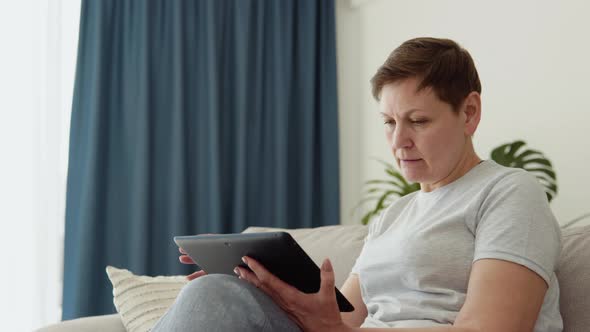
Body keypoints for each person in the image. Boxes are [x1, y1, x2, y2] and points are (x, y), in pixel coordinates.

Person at [152, 37, 563, 332]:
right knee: (217, 292)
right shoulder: (393, 215)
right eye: (389, 122)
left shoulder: (509, 192)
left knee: (213, 299)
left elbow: (491, 328)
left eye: (418, 121)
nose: (399, 140)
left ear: (469, 112)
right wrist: (256, 281)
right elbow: (340, 317)